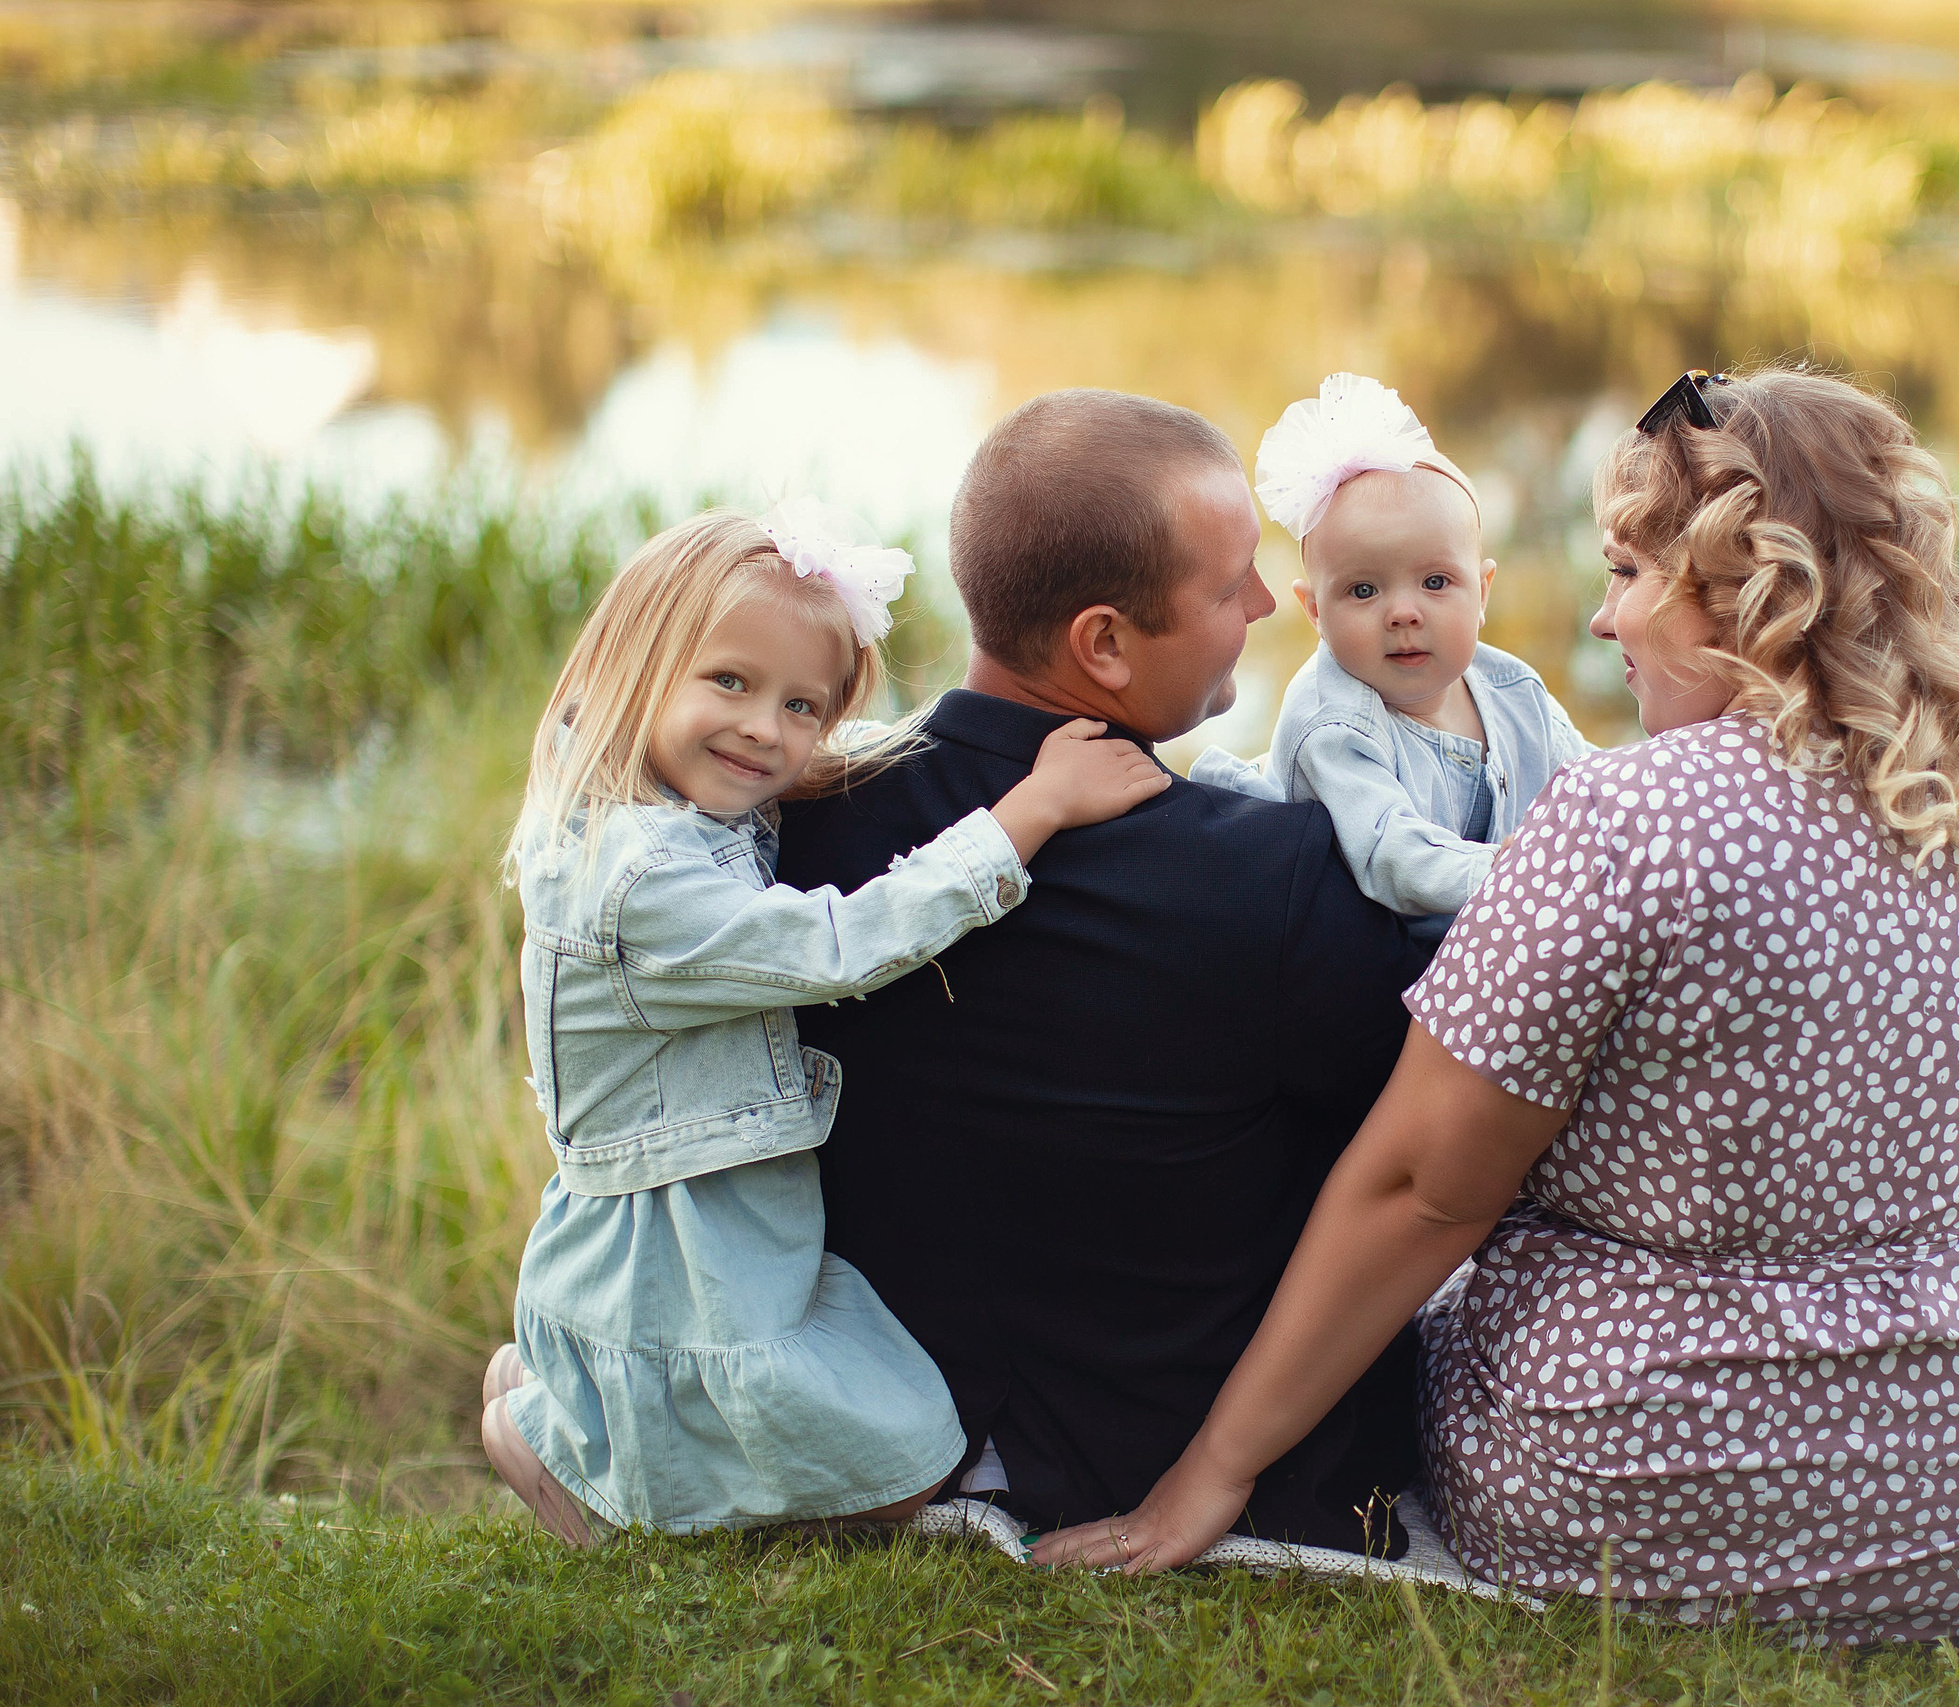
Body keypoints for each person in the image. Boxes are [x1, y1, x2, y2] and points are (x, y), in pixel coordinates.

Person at [1036, 367, 1959, 1644]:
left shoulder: (1626, 816)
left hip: (1648, 1485)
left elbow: (1424, 1193)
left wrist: (1214, 1469)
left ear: (1746, 587)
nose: (1601, 624)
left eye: (1628, 575)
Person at [779, 389, 1430, 1554]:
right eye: (1229, 582)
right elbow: (1426, 1148)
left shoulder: (806, 832)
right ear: (1104, 644)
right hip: (1176, 1449)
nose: (1261, 604)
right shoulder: (1269, 877)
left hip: (905, 1429)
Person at [479, 500, 1167, 1543]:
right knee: (885, 1477)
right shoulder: (638, 883)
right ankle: (550, 1448)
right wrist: (1029, 810)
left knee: (862, 1450)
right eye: (730, 683)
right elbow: (839, 947)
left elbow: (829, 762)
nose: (768, 730)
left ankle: (570, 1413)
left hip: (730, 1214)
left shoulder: (668, 800)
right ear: (634, 664)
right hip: (671, 1239)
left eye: (804, 706)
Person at [1191, 373, 1592, 920]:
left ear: (1482, 592)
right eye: (1363, 590)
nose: (1403, 613)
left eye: (1434, 583)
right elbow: (1393, 856)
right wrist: (1522, 872)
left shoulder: (1513, 690)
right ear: (1315, 612)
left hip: (1483, 931)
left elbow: (1593, 786)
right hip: (1353, 956)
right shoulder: (1332, 727)